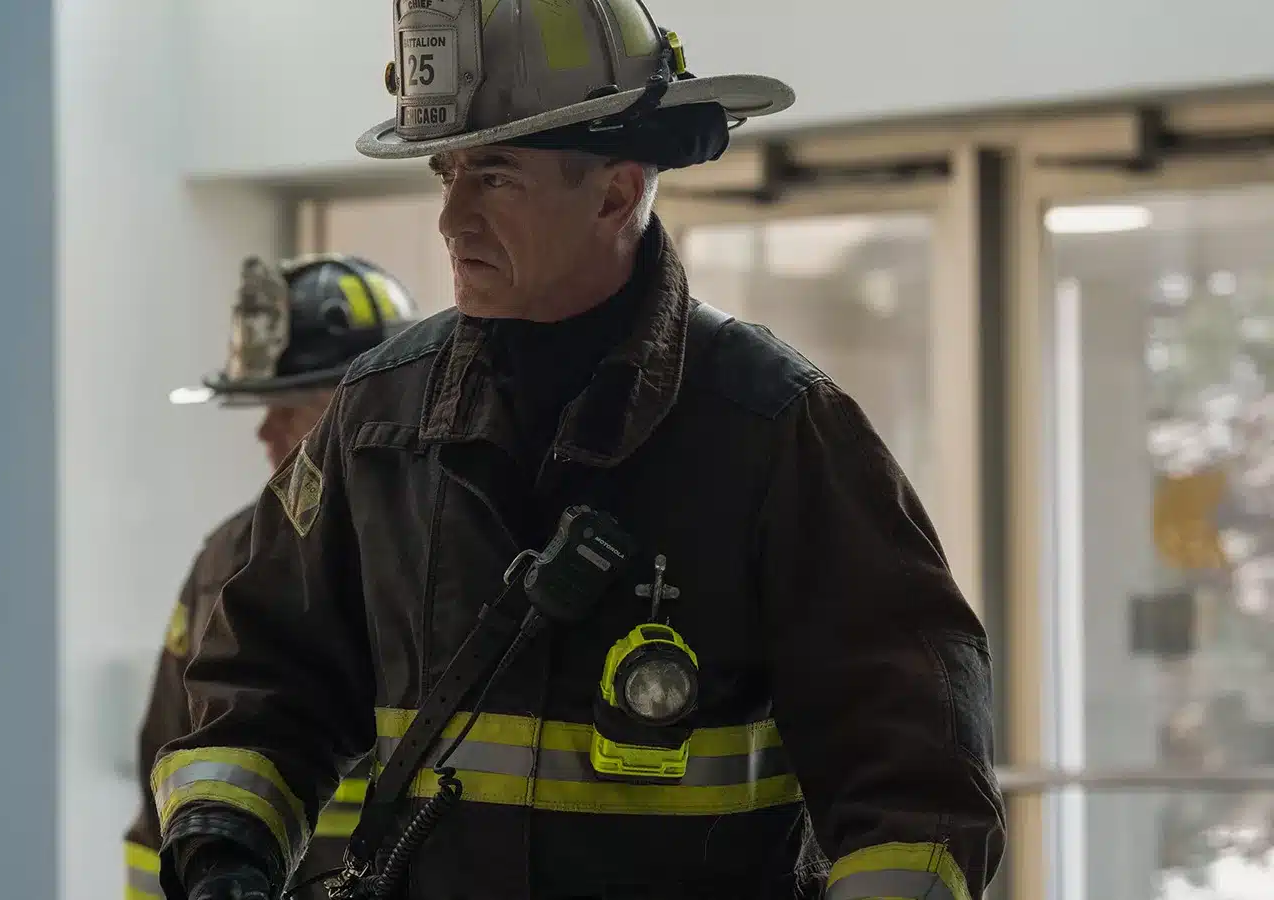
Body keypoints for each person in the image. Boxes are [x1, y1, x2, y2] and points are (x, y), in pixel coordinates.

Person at [152, 3, 1006, 899]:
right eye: (447, 173)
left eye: (495, 176)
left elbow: (914, 792)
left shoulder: (778, 432)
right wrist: (224, 858)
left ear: (615, 195)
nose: (451, 219)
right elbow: (265, 681)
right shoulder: (378, 421)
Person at [122, 254, 421, 900]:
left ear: (363, 407)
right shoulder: (227, 556)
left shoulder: (446, 550)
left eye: (289, 407)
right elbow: (164, 786)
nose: (265, 429)